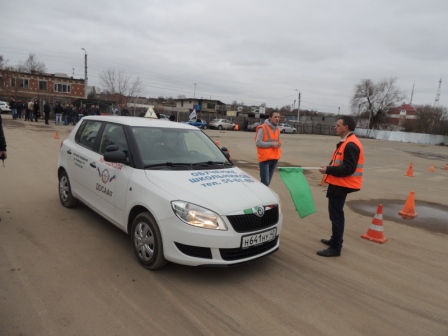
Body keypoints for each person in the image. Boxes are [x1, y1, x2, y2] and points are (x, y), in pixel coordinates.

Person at [317, 115, 365, 257]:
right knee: (335, 214)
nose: (335, 127)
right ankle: (335, 240)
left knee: (336, 215)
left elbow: (348, 168)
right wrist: (329, 168)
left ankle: (336, 247)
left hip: (342, 183)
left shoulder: (351, 144)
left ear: (346, 127)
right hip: (337, 182)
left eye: (338, 125)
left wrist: (328, 169)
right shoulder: (346, 142)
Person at [255, 111, 282, 186]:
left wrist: (278, 144)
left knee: (267, 183)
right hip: (265, 159)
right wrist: (272, 144)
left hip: (274, 159)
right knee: (265, 182)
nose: (277, 119)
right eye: (275, 117)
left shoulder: (277, 129)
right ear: (270, 117)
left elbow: (277, 141)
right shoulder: (263, 128)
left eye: (278, 117)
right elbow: (258, 143)